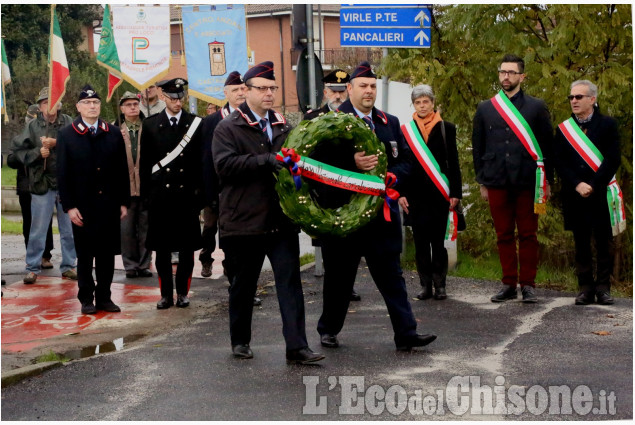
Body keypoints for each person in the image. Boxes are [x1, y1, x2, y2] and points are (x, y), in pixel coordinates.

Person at [315, 61, 437, 351]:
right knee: (339, 278)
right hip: (345, 215)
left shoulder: (388, 122)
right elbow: (318, 165)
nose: (369, 91)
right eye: (363, 86)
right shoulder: (331, 121)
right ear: (349, 89)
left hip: (380, 216)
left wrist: (390, 176)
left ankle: (406, 334)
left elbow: (406, 161)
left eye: (372, 86)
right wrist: (351, 163)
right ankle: (328, 329)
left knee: (392, 278)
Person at [213, 61, 324, 364]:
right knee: (244, 285)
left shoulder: (281, 124)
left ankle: (297, 346)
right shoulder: (228, 127)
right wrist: (266, 160)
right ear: (245, 91)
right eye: (262, 88)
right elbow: (224, 166)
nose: (269, 93)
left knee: (290, 284)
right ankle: (240, 340)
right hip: (244, 222)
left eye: (273, 88)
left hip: (280, 220)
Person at [472, 54, 554, 304]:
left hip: (529, 181)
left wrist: (547, 180)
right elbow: (478, 146)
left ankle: (528, 284)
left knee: (528, 235)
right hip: (496, 180)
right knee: (503, 234)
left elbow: (547, 146)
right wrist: (482, 182)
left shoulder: (536, 107)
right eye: (502, 72)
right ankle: (508, 283)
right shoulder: (486, 107)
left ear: (522, 76)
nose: (505, 76)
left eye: (511, 72)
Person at [57, 85, 130, 314]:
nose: (92, 106)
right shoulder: (67, 134)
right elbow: (63, 174)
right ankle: (86, 298)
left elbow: (122, 170)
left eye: (96, 103)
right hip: (82, 207)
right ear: (78, 107)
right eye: (87, 103)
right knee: (86, 256)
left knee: (107, 255)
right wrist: (69, 206)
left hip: (108, 205)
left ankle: (105, 297)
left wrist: (123, 201)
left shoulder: (113, 132)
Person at [554, 80, 622, 305]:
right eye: (571, 97)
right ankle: (585, 288)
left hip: (600, 192)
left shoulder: (608, 125)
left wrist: (593, 184)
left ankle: (603, 288)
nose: (574, 101)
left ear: (592, 99)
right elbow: (560, 162)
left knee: (603, 242)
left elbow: (612, 159)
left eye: (578, 97)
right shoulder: (564, 129)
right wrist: (577, 184)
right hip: (575, 193)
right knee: (580, 242)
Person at [140, 78, 204, 309]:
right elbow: (145, 164)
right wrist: (146, 197)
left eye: (181, 97)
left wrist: (200, 197)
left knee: (186, 249)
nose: (178, 102)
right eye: (173, 98)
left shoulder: (196, 123)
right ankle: (165, 294)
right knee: (162, 250)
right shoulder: (149, 125)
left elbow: (201, 163)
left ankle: (183, 293)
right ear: (164, 98)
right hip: (161, 198)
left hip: (186, 197)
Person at [399, 85, 462, 301]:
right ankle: (425, 285)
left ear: (433, 103)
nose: (422, 106)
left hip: (439, 195)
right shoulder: (406, 131)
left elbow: (453, 163)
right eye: (418, 102)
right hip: (415, 196)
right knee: (421, 243)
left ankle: (440, 284)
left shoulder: (447, 128)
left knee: (438, 242)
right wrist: (401, 193)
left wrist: (455, 192)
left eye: (426, 101)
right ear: (414, 105)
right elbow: (402, 164)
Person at [303, 69, 361, 303]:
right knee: (330, 246)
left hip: (354, 190)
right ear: (325, 92)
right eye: (333, 92)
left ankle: (349, 285)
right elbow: (309, 154)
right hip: (325, 191)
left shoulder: (356, 117)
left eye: (341, 92)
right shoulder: (312, 118)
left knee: (352, 244)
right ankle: (334, 285)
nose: (337, 97)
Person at [10, 87, 77, 284]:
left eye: (54, 101)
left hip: (66, 184)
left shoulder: (69, 122)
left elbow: (79, 145)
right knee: (37, 229)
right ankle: (32, 267)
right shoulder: (32, 127)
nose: (51, 105)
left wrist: (58, 143)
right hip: (42, 184)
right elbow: (16, 152)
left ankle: (69, 266)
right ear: (40, 106)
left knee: (69, 230)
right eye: (46, 102)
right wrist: (38, 153)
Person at [199, 71, 245, 278]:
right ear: (226, 93)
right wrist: (207, 191)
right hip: (214, 188)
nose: (240, 93)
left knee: (232, 235)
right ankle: (206, 258)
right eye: (235, 90)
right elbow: (204, 159)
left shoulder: (250, 119)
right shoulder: (210, 122)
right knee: (209, 227)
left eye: (244, 89)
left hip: (238, 191)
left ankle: (231, 267)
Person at [7, 103, 55, 270]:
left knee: (45, 220)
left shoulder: (47, 131)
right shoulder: (23, 136)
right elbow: (11, 160)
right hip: (26, 184)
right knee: (30, 222)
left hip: (44, 181)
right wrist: (31, 154)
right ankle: (32, 254)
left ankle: (46, 254)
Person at [116, 91, 152, 279]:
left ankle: (144, 264)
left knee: (146, 227)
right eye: (128, 105)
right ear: (122, 109)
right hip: (125, 188)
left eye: (135, 104)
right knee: (127, 229)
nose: (132, 107)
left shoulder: (149, 128)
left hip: (146, 186)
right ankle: (130, 265)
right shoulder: (115, 130)